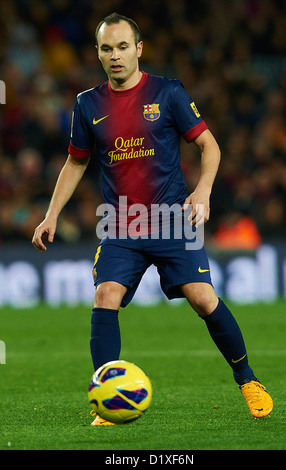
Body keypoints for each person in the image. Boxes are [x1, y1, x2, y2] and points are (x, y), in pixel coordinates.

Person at [32, 12, 273, 425]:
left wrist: (203, 190)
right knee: (105, 295)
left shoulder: (168, 93)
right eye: (107, 48)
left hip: (171, 219)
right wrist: (50, 215)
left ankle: (247, 379)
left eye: (123, 46)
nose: (115, 55)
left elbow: (209, 147)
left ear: (139, 49)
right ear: (98, 53)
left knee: (203, 298)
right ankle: (106, 399)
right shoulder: (87, 104)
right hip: (120, 224)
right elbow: (75, 164)